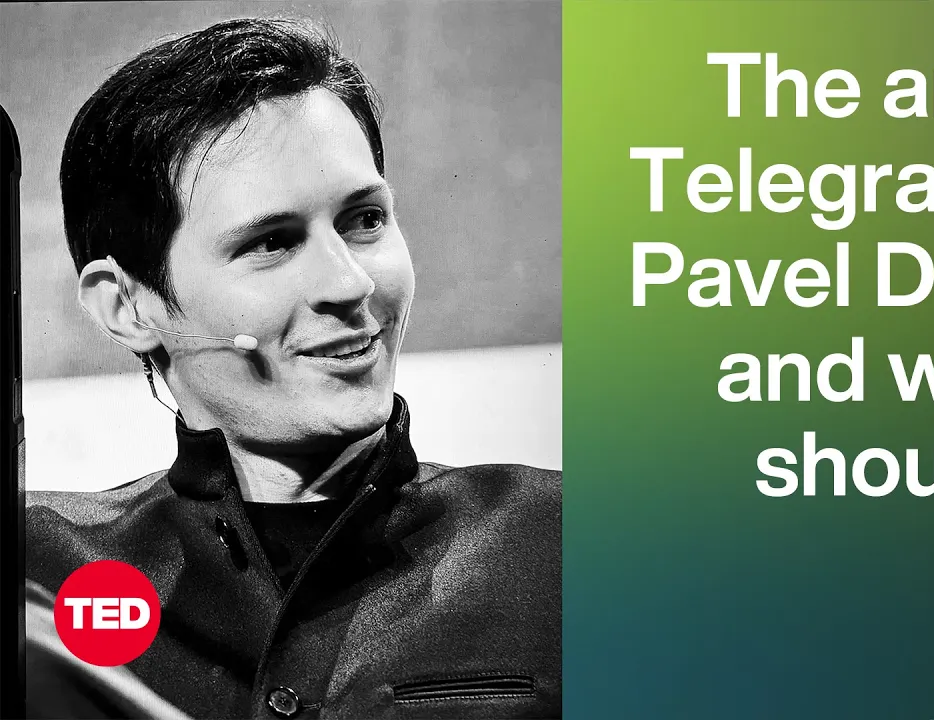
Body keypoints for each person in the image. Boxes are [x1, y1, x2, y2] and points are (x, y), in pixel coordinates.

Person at [24, 17, 561, 719]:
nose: (350, 283)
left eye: (364, 220)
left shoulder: (574, 548)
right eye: (273, 242)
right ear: (127, 305)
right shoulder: (35, 577)